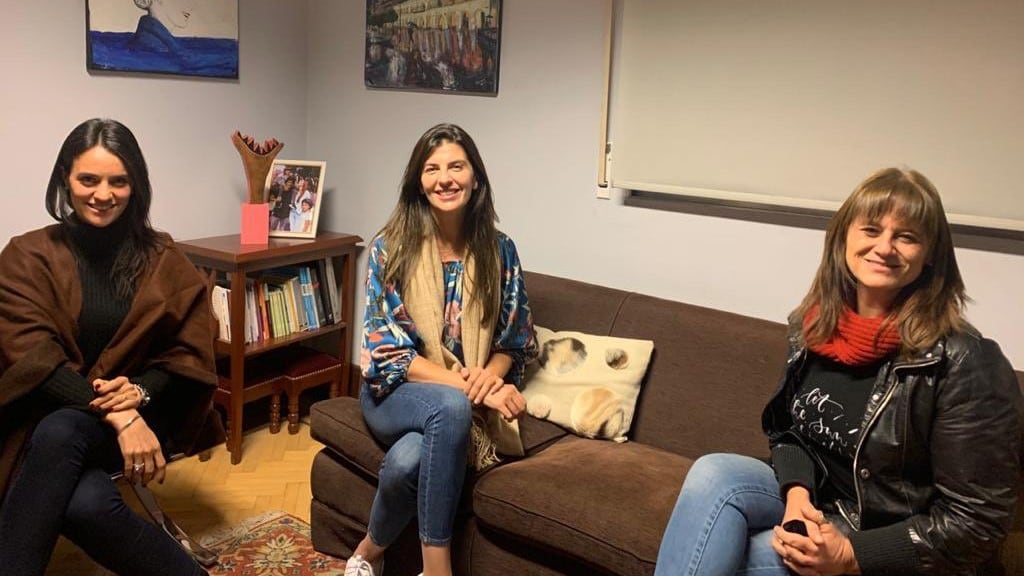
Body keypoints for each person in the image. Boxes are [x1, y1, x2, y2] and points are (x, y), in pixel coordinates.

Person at [653, 167, 1022, 576]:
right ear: (844, 236)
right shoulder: (813, 325)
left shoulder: (965, 362)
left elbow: (977, 522)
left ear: (930, 254)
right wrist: (796, 493)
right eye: (871, 230)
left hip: (882, 532)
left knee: (745, 557)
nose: (885, 247)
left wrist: (851, 556)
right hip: (817, 502)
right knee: (712, 472)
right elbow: (790, 432)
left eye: (906, 236)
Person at [0, 118, 220, 576]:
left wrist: (140, 396)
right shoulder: (27, 255)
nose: (103, 194)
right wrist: (120, 415)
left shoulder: (163, 258)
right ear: (66, 178)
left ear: (135, 185)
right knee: (86, 502)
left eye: (119, 181)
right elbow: (31, 359)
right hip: (50, 412)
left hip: (146, 413)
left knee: (64, 431)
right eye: (88, 179)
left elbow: (187, 352)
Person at [347, 123, 538, 576]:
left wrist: (490, 377)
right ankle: (438, 570)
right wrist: (476, 391)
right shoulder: (389, 249)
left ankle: (366, 553)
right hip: (393, 393)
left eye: (456, 165)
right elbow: (388, 354)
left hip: (462, 390)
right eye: (432, 169)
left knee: (409, 458)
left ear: (475, 177)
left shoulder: (500, 250)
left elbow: (514, 337)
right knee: (451, 407)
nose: (444, 178)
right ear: (418, 180)